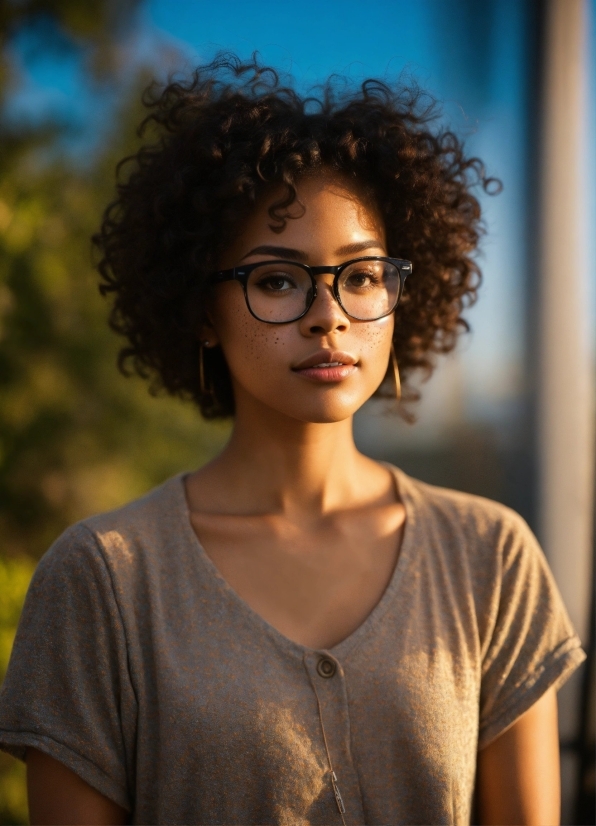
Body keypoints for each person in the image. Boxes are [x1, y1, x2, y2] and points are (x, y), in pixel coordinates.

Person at [0, 56, 585, 826]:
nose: (329, 315)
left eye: (363, 275)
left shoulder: (488, 557)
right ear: (202, 312)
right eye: (277, 280)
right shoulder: (105, 579)